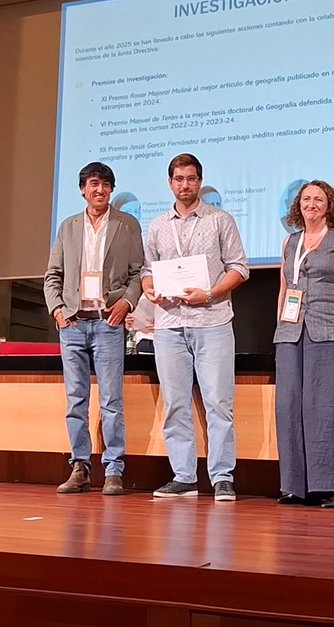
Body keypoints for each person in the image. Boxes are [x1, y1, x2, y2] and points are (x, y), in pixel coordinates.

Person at [142, 153, 249, 501]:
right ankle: (184, 476)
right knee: (175, 403)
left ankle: (222, 478)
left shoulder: (220, 220)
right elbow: (147, 270)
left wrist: (210, 293)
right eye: (179, 179)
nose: (185, 185)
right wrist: (149, 288)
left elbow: (239, 268)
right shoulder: (158, 225)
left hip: (212, 320)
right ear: (170, 182)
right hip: (169, 325)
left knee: (218, 403)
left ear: (199, 182)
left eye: (190, 178)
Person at [44, 162, 145, 496]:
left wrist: (126, 303)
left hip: (107, 322)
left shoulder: (127, 224)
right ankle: (80, 467)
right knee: (76, 400)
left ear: (111, 189)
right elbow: (53, 274)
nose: (98, 190)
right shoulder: (68, 227)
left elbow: (137, 273)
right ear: (82, 189)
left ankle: (113, 469)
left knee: (112, 400)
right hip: (73, 323)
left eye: (104, 184)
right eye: (92, 184)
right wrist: (58, 310)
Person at [272, 180, 334, 508]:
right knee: (290, 408)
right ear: (297, 205)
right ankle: (297, 486)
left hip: (332, 332)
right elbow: (284, 290)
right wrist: (280, 330)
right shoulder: (290, 242)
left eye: (318, 199)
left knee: (330, 408)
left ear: (330, 205)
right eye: (306, 199)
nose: (311, 204)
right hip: (291, 334)